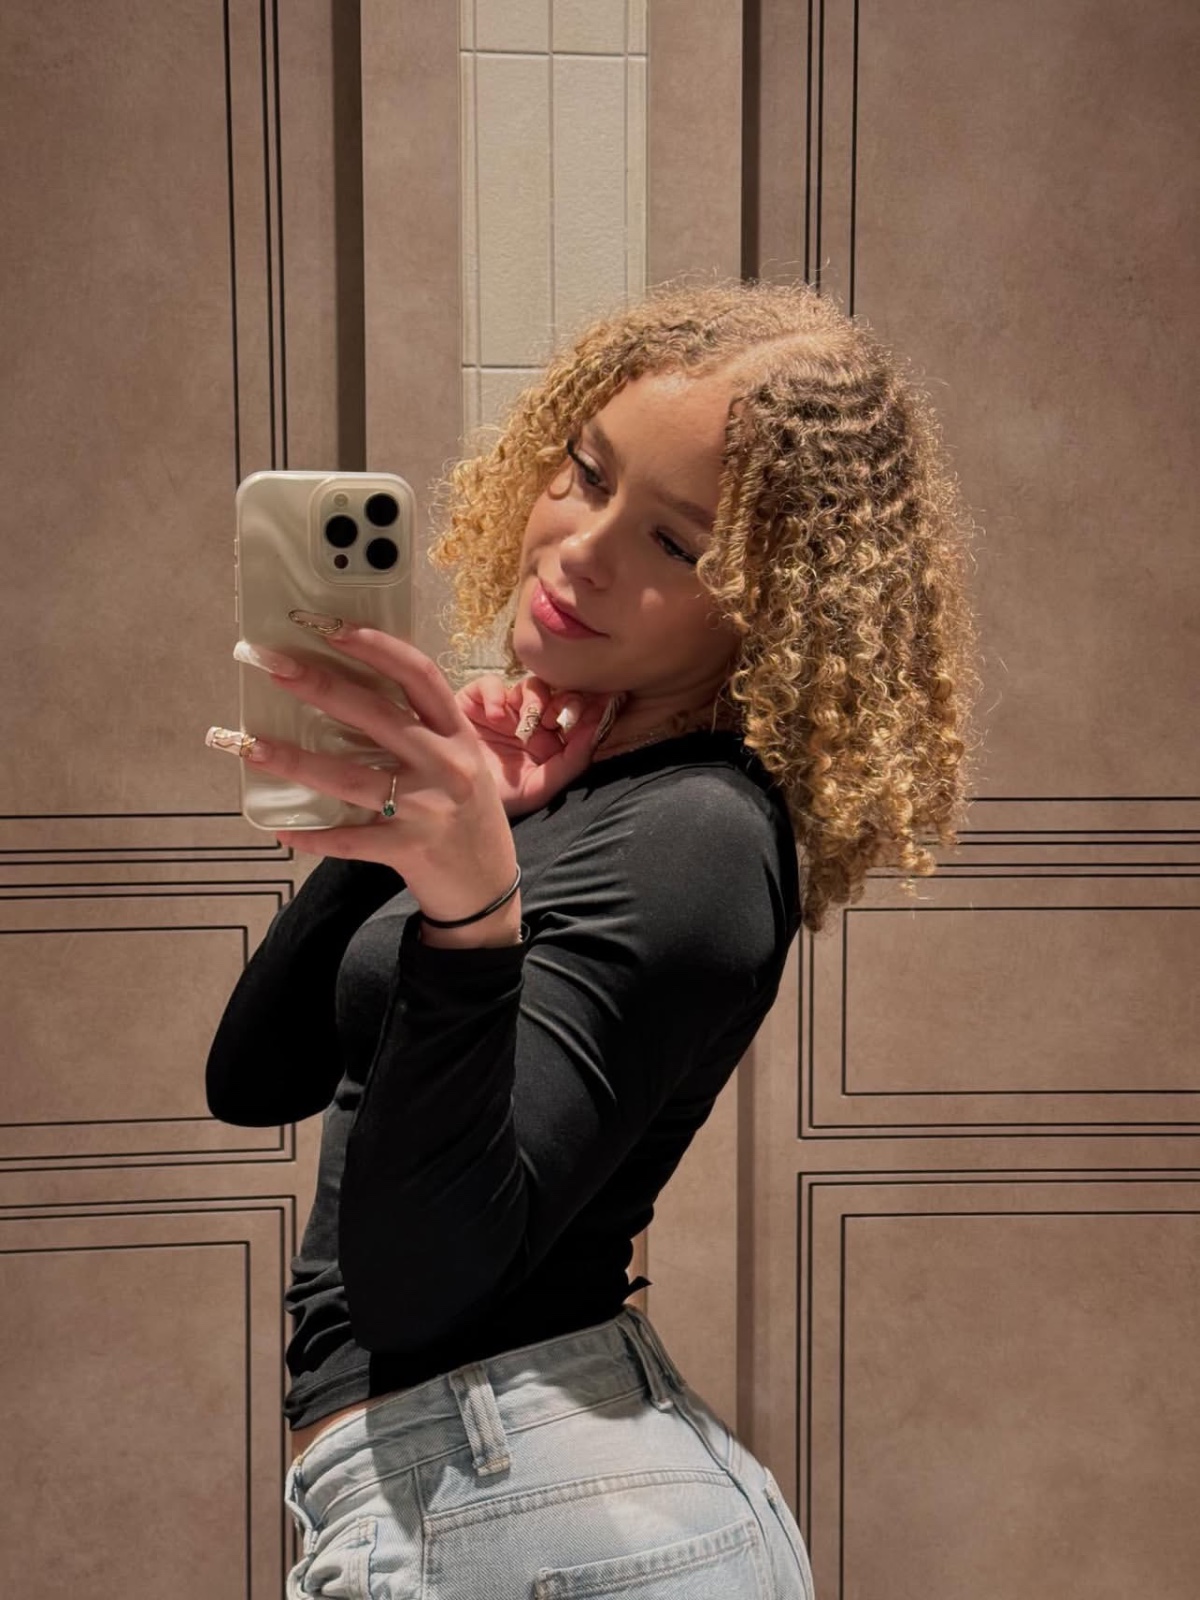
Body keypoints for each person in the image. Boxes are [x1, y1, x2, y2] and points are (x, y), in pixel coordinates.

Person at [204, 278, 981, 1598]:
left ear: (771, 607)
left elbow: (416, 1289)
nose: (581, 549)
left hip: (531, 1521)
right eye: (586, 474)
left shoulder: (697, 838)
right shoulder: (580, 793)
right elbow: (255, 1077)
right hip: (490, 1503)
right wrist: (404, 830)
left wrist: (469, 908)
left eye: (676, 544)